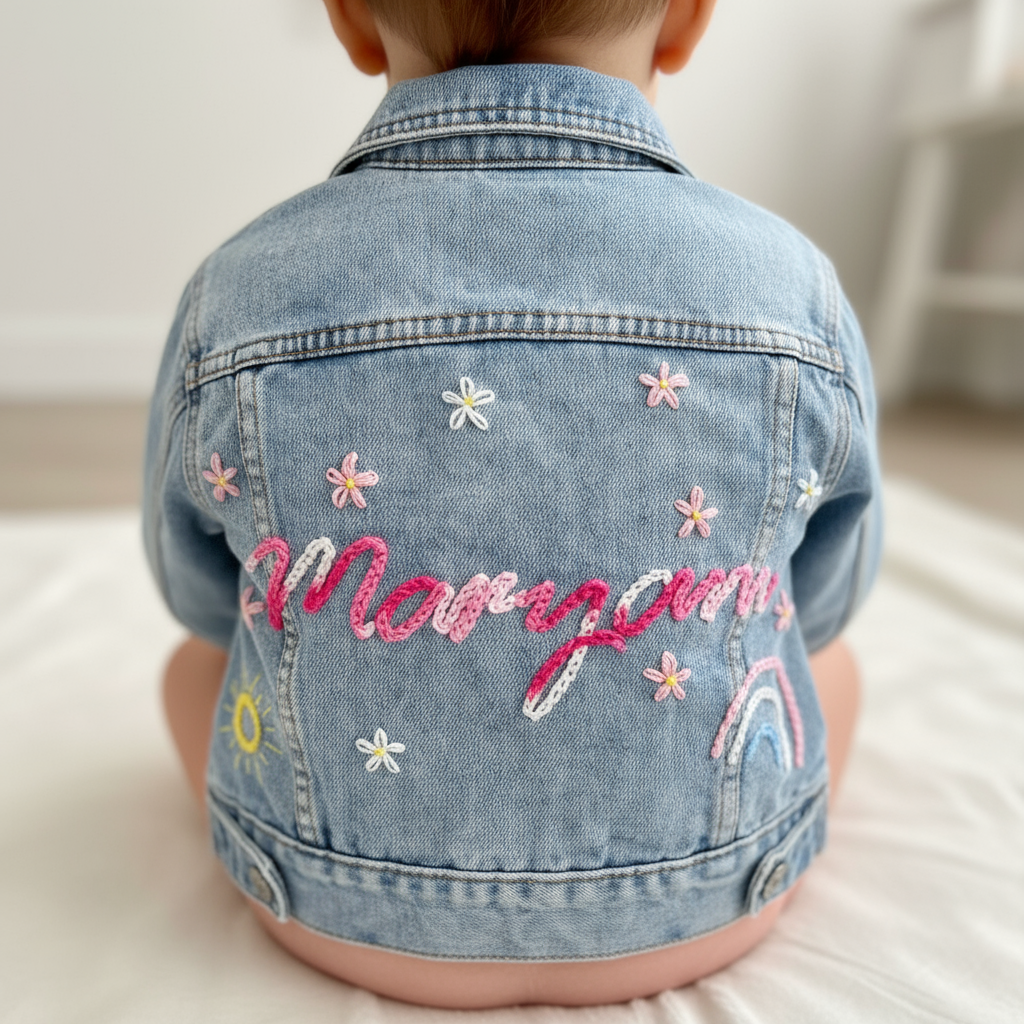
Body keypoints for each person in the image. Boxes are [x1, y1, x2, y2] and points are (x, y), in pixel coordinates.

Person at [146, 0, 881, 1008]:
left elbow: (195, 588)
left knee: (194, 665)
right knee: (830, 664)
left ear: (351, 19)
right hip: (710, 907)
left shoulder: (236, 293)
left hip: (331, 912)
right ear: (686, 20)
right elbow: (827, 594)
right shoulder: (793, 290)